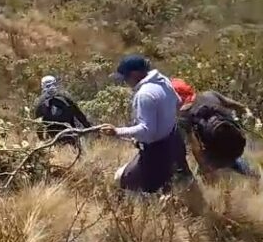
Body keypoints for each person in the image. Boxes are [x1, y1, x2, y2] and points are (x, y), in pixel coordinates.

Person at [100, 55, 191, 193]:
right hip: (175, 140)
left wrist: (117, 131)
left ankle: (148, 210)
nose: (125, 82)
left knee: (125, 181)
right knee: (180, 181)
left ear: (135, 74)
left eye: (125, 77)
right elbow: (178, 102)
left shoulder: (144, 95)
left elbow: (146, 129)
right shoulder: (164, 81)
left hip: (157, 152)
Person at [171, 78, 258, 180]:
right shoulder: (210, 95)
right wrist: (248, 114)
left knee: (205, 172)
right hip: (236, 138)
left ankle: (225, 192)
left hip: (215, 148)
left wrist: (204, 169)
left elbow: (196, 147)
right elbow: (237, 106)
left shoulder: (184, 116)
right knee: (231, 158)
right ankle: (255, 176)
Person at [33, 75, 92, 145]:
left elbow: (38, 124)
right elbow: (77, 113)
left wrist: (42, 139)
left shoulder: (40, 102)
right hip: (66, 135)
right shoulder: (64, 97)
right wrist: (88, 127)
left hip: (58, 137)